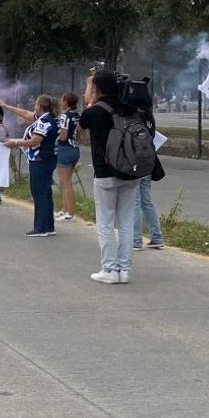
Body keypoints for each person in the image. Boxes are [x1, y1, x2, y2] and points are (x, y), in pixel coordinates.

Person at [80, 71, 139, 285]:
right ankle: (124, 270)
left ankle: (109, 269)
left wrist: (91, 90)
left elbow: (85, 115)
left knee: (105, 222)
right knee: (126, 221)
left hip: (105, 172)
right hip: (131, 171)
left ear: (97, 89)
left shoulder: (94, 112)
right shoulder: (130, 109)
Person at [1, 95, 59, 236]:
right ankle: (49, 225)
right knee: (45, 192)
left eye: (35, 105)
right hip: (47, 159)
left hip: (40, 160)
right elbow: (26, 114)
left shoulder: (43, 122)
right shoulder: (49, 118)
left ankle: (40, 227)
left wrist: (15, 142)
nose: (33, 108)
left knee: (39, 193)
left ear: (39, 106)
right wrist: (7, 107)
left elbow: (34, 141)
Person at [131, 100, 165, 251]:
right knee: (146, 201)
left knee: (135, 203)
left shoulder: (134, 118)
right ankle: (156, 236)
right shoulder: (149, 118)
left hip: (136, 163)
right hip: (148, 162)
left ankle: (136, 239)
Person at [54, 91, 81, 222]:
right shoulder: (77, 115)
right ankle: (65, 209)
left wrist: (55, 139)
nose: (60, 102)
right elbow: (80, 133)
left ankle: (70, 213)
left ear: (66, 102)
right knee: (65, 181)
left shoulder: (65, 117)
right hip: (75, 148)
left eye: (62, 99)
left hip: (65, 149)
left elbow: (63, 135)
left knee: (65, 183)